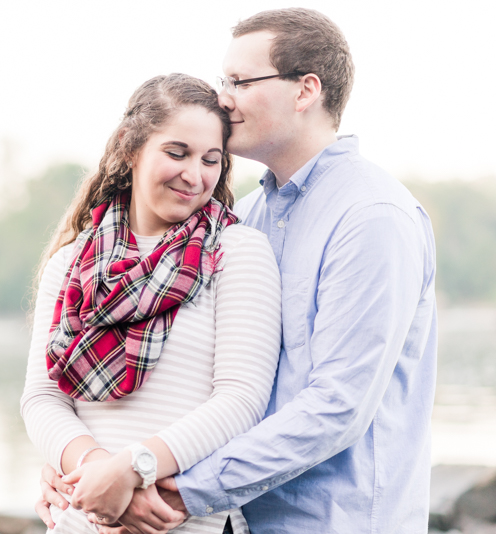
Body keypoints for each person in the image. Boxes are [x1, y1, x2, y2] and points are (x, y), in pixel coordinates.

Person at [37, 8, 438, 534]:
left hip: (336, 521)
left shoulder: (371, 218)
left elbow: (337, 407)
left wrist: (159, 487)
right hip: (244, 520)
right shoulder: (244, 218)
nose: (223, 97)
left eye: (240, 81)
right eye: (224, 80)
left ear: (305, 90)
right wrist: (74, 469)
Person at [20, 73, 282, 534]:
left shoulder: (236, 251)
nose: (194, 175)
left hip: (188, 521)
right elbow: (42, 399)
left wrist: (134, 470)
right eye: (177, 153)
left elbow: (241, 400)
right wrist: (101, 474)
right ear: (129, 146)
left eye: (211, 160)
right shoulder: (70, 264)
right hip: (85, 520)